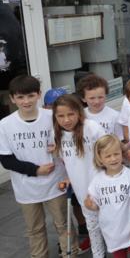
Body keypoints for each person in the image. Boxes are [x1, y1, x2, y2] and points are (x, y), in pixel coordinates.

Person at [0, 76, 76, 258]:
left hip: (56, 182)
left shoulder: (53, 117)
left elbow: (73, 140)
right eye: (20, 97)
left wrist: (62, 147)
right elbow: (6, 160)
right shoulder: (5, 125)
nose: (26, 101)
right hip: (27, 188)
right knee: (35, 229)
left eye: (31, 96)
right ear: (11, 98)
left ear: (39, 95)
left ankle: (70, 254)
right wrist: (35, 170)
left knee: (64, 224)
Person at [53, 95, 106, 258]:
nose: (66, 120)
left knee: (110, 223)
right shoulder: (58, 134)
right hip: (82, 189)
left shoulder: (91, 127)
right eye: (60, 116)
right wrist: (69, 177)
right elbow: (69, 162)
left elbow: (106, 151)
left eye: (70, 114)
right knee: (93, 226)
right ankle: (99, 254)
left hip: (102, 184)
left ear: (78, 112)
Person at [85, 134, 130, 258]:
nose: (113, 159)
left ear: (122, 152)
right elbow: (96, 206)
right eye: (107, 156)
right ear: (100, 158)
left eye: (116, 154)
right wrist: (90, 205)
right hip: (111, 233)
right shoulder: (97, 181)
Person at [77, 74, 123, 140]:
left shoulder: (115, 116)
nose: (97, 101)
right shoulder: (80, 115)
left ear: (106, 95)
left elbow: (120, 140)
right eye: (92, 98)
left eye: (100, 97)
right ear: (83, 98)